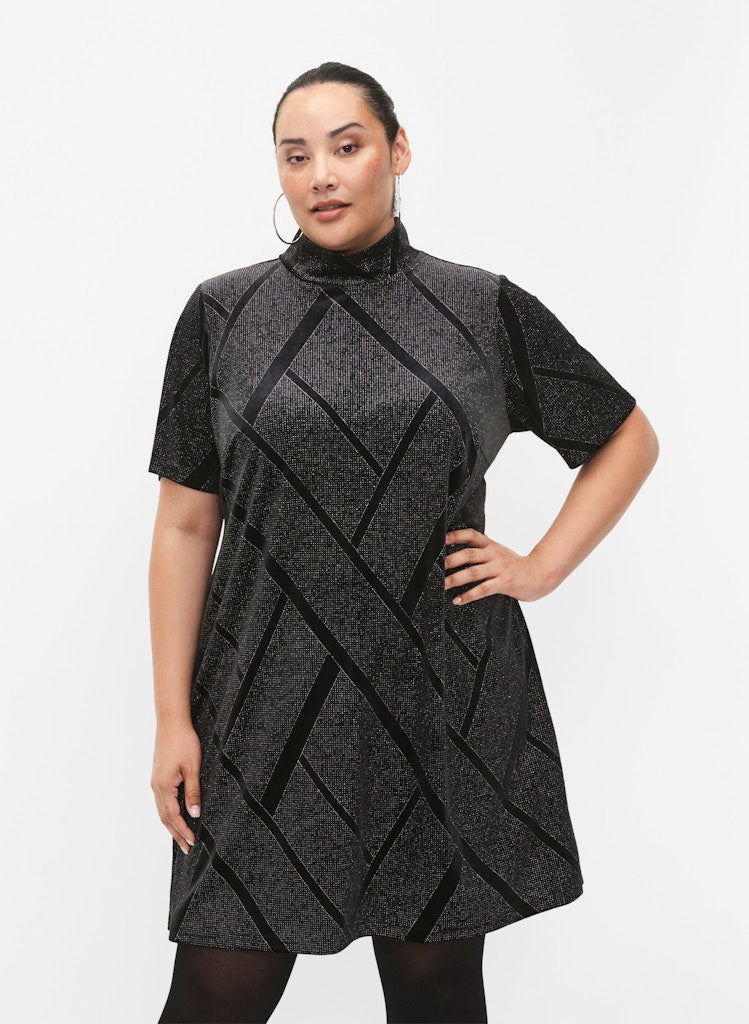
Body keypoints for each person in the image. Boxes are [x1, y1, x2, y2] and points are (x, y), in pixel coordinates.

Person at [148, 61, 658, 1024]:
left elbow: (624, 436)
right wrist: (173, 717)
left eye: (346, 147)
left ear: (397, 151)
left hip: (440, 696)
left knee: (436, 992)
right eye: (295, 156)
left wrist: (540, 567)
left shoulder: (478, 308)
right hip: (262, 703)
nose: (321, 175)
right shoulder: (222, 314)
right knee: (217, 989)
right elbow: (183, 522)